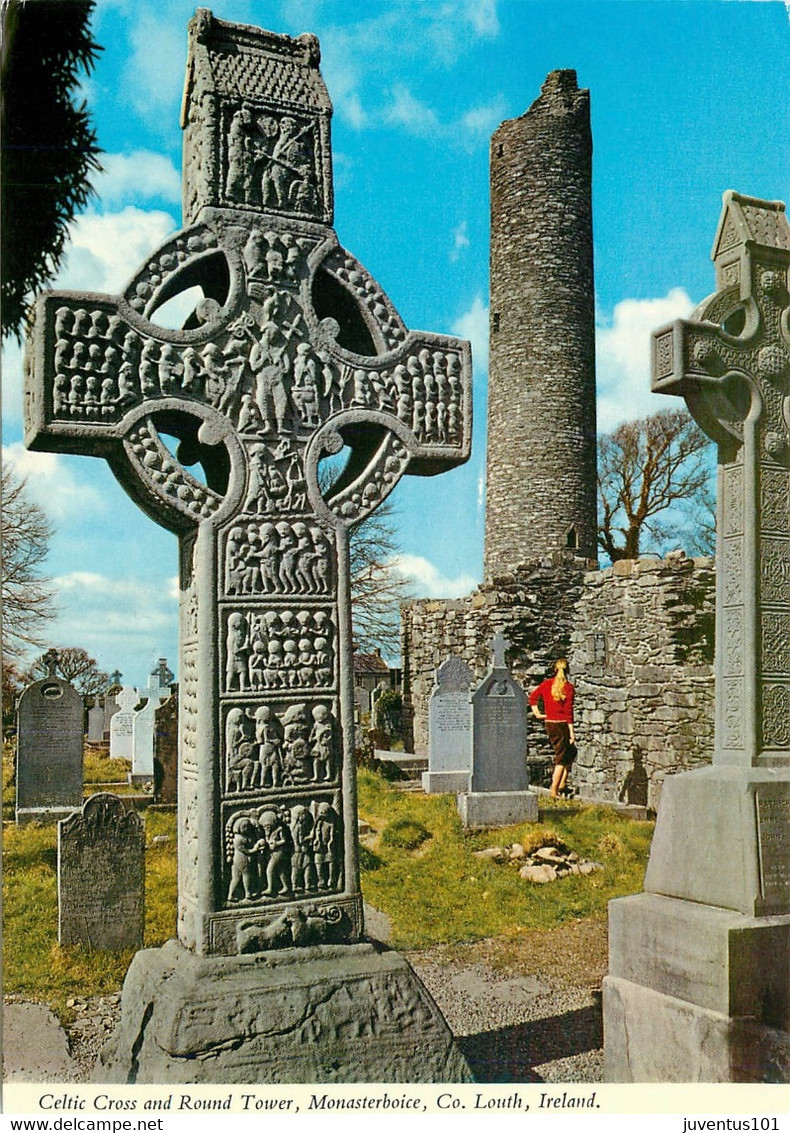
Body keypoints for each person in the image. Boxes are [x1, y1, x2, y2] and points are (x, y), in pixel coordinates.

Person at [529, 659, 576, 798]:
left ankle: (562, 783)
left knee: (572, 752)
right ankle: (554, 790)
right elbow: (568, 713)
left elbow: (533, 697)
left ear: (555, 670)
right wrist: (572, 733)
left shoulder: (546, 684)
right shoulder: (568, 688)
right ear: (567, 671)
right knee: (561, 758)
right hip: (561, 725)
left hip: (550, 723)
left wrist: (538, 713)